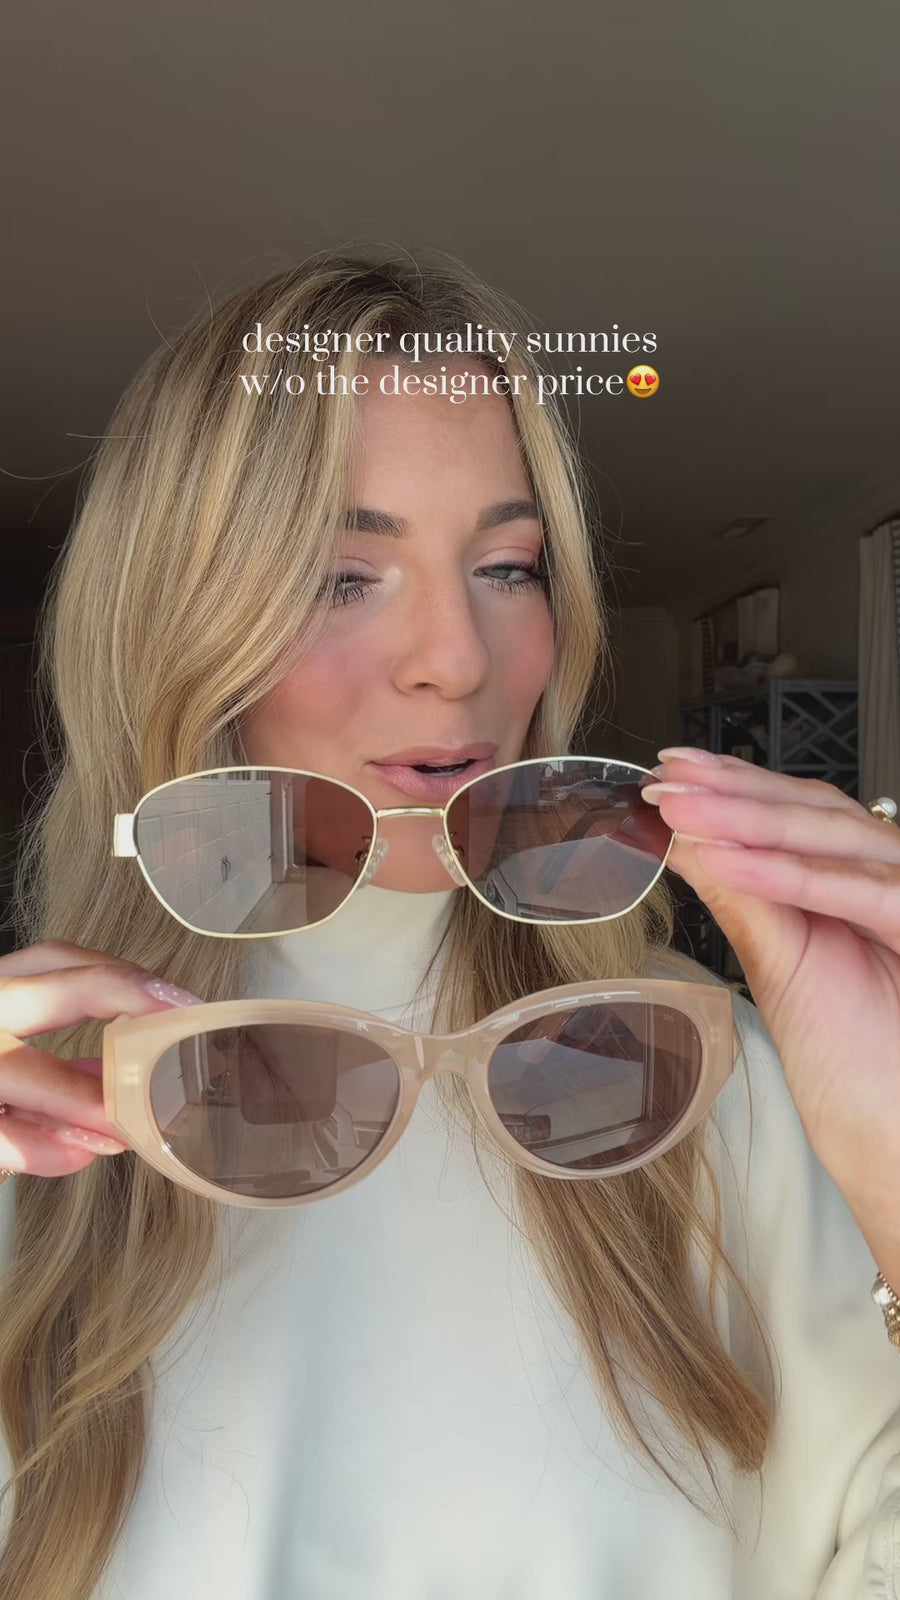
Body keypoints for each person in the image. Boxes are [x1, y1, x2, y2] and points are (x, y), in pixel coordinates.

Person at [0, 246, 898, 1600]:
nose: (460, 659)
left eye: (509, 567)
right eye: (339, 576)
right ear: (178, 624)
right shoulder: (41, 1128)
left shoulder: (718, 1086)